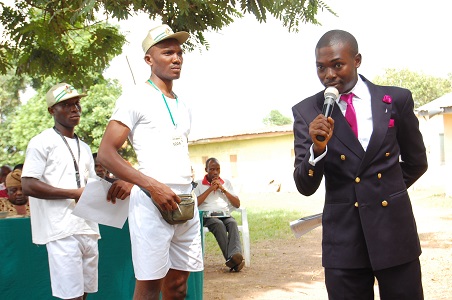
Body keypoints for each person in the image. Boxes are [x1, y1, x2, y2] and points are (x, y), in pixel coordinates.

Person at [292, 29, 428, 299]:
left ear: (357, 60)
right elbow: (304, 185)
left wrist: (384, 191)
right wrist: (317, 149)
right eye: (321, 68)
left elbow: (416, 161)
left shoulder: (395, 100)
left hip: (394, 233)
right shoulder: (307, 112)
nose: (328, 75)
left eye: (337, 65)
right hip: (343, 241)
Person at [97, 24, 203, 300]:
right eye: (167, 53)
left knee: (179, 286)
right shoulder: (135, 97)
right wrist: (150, 187)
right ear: (149, 59)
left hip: (185, 200)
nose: (176, 58)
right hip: (152, 201)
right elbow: (106, 154)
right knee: (149, 287)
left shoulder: (183, 103)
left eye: (180, 53)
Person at [21, 82, 131, 300]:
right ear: (52, 110)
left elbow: (89, 183)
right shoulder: (41, 142)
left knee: (83, 293)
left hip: (88, 227)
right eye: (67, 105)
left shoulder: (85, 146)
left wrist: (116, 184)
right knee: (71, 295)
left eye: (77, 104)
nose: (75, 109)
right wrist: (74, 193)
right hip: (61, 229)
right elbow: (28, 185)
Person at [194, 157, 244, 272]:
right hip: (208, 216)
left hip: (225, 214)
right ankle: (234, 260)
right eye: (212, 169)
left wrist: (223, 189)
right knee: (218, 224)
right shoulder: (198, 184)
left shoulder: (226, 183)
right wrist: (211, 189)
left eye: (217, 169)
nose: (215, 172)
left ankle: (234, 258)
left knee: (232, 223)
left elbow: (237, 204)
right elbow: (196, 203)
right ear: (206, 169)